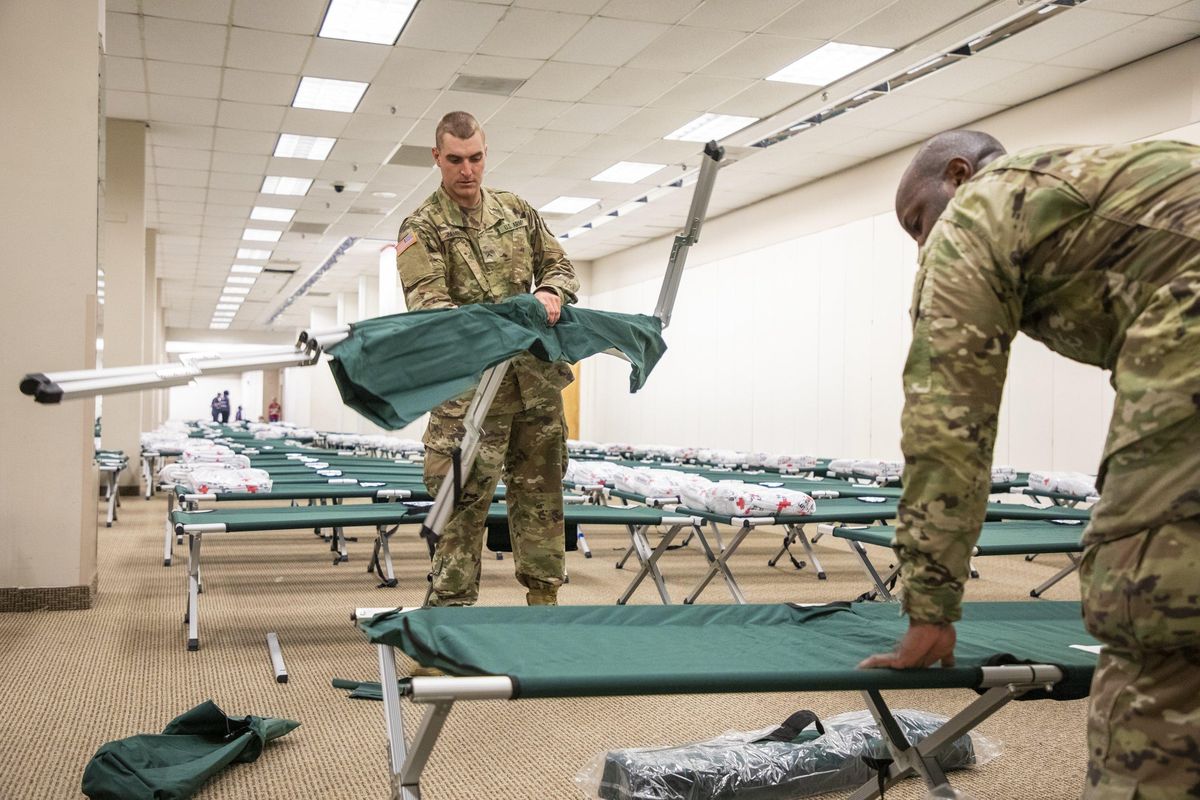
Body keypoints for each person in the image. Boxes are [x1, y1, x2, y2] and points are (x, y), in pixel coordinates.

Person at [861, 129, 1200, 797]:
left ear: (957, 176)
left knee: (1157, 611)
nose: (922, 246)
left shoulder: (978, 211)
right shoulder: (1099, 172)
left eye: (916, 223)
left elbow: (948, 425)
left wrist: (930, 609)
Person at [395, 111, 578, 607]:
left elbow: (560, 264)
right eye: (455, 160)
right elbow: (432, 311)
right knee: (459, 512)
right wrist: (514, 314)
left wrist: (551, 289)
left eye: (475, 158)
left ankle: (545, 612)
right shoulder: (421, 228)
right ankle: (447, 625)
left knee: (541, 502)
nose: (467, 171)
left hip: (534, 391)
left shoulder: (515, 211)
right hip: (469, 403)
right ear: (437, 158)